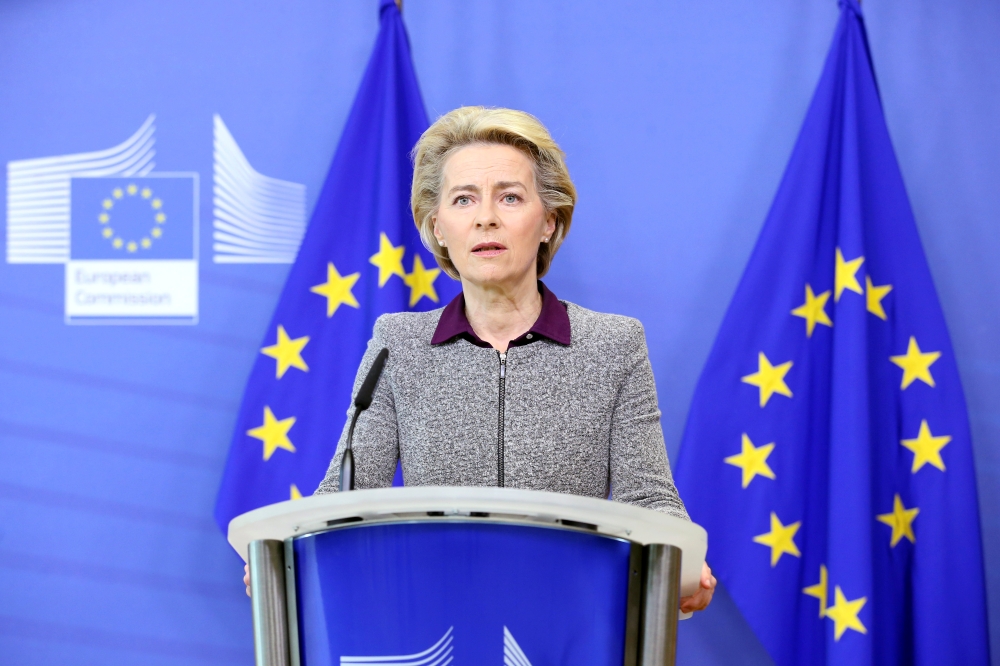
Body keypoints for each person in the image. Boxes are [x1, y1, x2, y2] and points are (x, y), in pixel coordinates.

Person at [250, 106, 716, 613]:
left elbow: (648, 499)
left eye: (510, 197)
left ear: (548, 222)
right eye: (463, 199)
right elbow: (345, 494)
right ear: (438, 228)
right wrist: (285, 552)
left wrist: (682, 559)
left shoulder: (613, 344)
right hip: (434, 619)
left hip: (567, 619)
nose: (486, 216)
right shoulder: (397, 344)